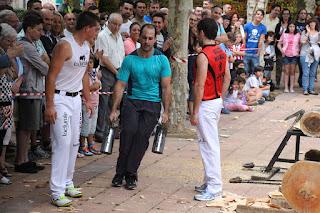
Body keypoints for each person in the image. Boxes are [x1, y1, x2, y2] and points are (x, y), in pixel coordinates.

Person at [45, 11, 100, 207]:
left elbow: (84, 75)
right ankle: (57, 191)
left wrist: (86, 100)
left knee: (74, 144)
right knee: (63, 143)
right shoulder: (64, 45)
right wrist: (50, 105)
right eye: (95, 29)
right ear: (87, 28)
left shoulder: (85, 46)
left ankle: (68, 183)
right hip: (60, 99)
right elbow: (51, 75)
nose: (96, 33)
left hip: (76, 99)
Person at [110, 24, 172, 190]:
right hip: (132, 101)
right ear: (139, 37)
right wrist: (114, 109)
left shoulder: (161, 59)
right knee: (128, 134)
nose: (146, 41)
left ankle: (131, 173)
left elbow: (166, 87)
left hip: (152, 104)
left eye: (150, 38)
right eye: (144, 37)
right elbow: (120, 85)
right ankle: (119, 172)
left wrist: (166, 111)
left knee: (142, 138)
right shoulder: (130, 59)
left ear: (154, 39)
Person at [191, 18, 231, 201]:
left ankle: (214, 186)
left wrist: (194, 111)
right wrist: (221, 99)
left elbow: (199, 85)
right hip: (215, 100)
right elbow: (228, 78)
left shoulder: (203, 55)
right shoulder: (221, 51)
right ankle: (209, 181)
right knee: (208, 143)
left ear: (201, 33)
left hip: (206, 103)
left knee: (209, 146)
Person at [15, 11, 49, 173]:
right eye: (38, 29)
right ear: (29, 29)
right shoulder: (26, 46)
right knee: (25, 128)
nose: (41, 33)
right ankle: (21, 161)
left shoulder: (31, 45)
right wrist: (42, 60)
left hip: (34, 90)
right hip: (28, 90)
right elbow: (44, 68)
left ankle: (25, 159)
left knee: (30, 128)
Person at [94, 13, 125, 142]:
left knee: (113, 103)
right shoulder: (103, 36)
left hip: (118, 70)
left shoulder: (118, 37)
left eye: (119, 25)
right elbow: (104, 59)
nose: (117, 27)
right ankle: (100, 131)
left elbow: (121, 56)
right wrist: (117, 73)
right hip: (107, 71)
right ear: (109, 23)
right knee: (103, 102)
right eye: (114, 24)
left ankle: (108, 129)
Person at [0, 23, 21, 184]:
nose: (12, 44)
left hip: (6, 102)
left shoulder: (6, 54)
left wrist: (11, 56)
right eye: (9, 41)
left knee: (3, 139)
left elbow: (14, 74)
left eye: (14, 41)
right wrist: (9, 55)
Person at [79, 55, 101, 156]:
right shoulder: (83, 75)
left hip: (95, 103)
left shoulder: (93, 74)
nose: (89, 65)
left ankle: (91, 144)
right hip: (86, 104)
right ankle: (83, 145)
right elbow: (83, 88)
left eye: (91, 63)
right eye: (87, 63)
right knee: (86, 125)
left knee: (92, 125)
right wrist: (93, 87)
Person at [278, 22, 300, 93]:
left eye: (293, 26)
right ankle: (286, 87)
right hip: (286, 55)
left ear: (295, 28)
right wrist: (282, 52)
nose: (292, 28)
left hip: (294, 55)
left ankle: (291, 87)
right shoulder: (284, 35)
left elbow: (300, 45)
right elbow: (279, 44)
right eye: (290, 26)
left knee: (292, 72)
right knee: (286, 71)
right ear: (288, 27)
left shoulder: (297, 35)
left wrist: (298, 52)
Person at [243, 9, 267, 75]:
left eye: (261, 15)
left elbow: (260, 40)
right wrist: (244, 50)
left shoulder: (263, 28)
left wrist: (258, 52)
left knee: (255, 71)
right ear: (255, 15)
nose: (259, 16)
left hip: (255, 52)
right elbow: (244, 38)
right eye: (258, 14)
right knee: (245, 70)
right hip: (246, 51)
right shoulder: (247, 26)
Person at [300, 18, 320, 95]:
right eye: (310, 23)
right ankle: (305, 89)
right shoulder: (304, 32)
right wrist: (308, 32)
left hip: (316, 54)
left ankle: (311, 89)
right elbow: (302, 41)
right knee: (305, 72)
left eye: (313, 23)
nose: (312, 24)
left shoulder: (318, 33)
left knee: (312, 72)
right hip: (305, 53)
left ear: (316, 24)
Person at [275, 9, 291, 89]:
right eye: (284, 14)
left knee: (288, 67)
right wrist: (282, 29)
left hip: (289, 48)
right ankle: (277, 82)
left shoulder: (291, 24)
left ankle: (288, 83)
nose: (285, 16)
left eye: (287, 14)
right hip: (280, 48)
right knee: (279, 66)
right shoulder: (278, 25)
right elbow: (276, 36)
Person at [187, 40, 202, 118]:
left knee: (196, 96)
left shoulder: (201, 57)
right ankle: (191, 112)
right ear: (194, 47)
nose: (200, 49)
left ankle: (195, 112)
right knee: (192, 97)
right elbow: (190, 70)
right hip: (193, 79)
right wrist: (191, 79)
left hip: (199, 80)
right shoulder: (192, 58)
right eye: (198, 46)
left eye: (201, 47)